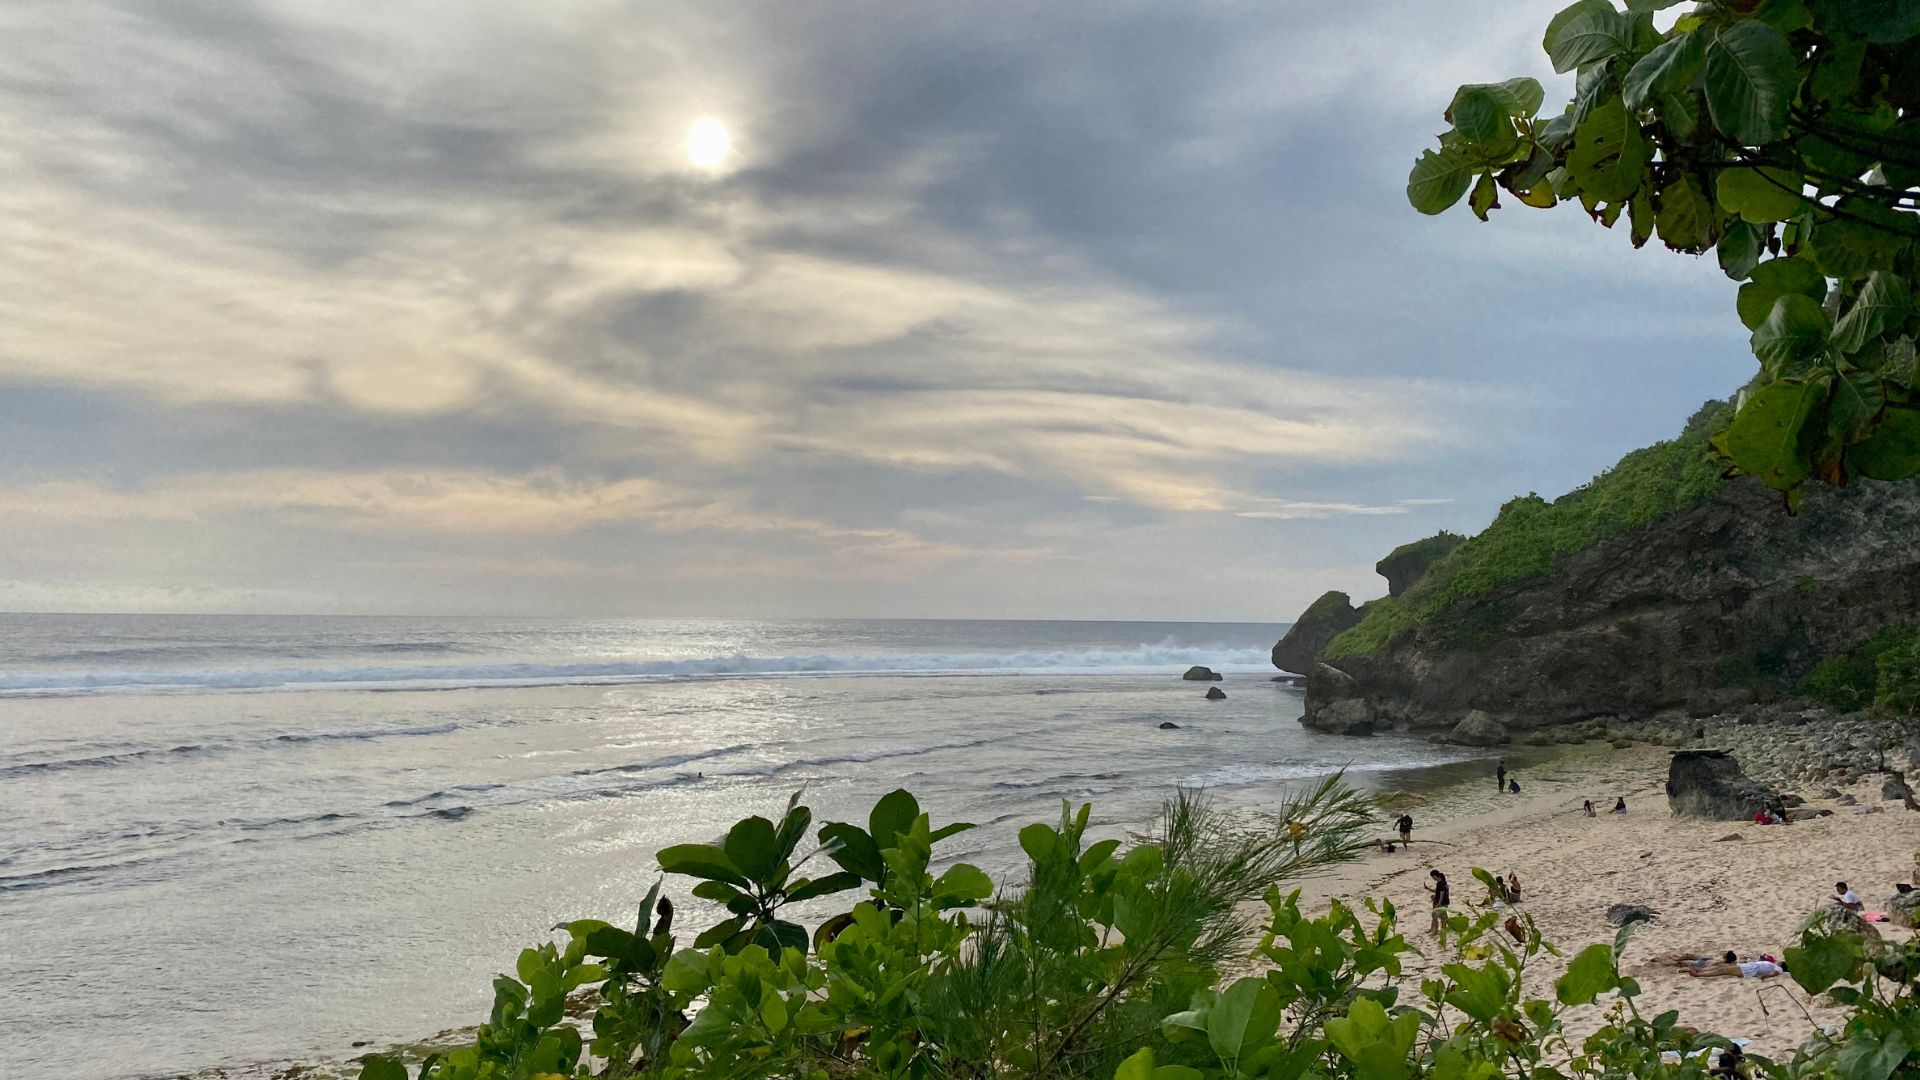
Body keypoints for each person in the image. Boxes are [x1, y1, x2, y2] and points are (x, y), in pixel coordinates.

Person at [1689, 958, 1786, 979]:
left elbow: (1774, 974)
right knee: (1721, 967)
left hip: (1749, 970)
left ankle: (1700, 974)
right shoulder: (1773, 964)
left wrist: (1765, 976)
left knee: (1723, 970)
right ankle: (1701, 970)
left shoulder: (1778, 969)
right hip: (1748, 966)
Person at [1427, 869, 1450, 934]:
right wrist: (1428, 888)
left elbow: (1442, 894)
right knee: (1444, 917)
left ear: (1435, 876)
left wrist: (1439, 904)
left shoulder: (1441, 884)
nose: (1433, 878)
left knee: (1435, 915)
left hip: (1442, 903)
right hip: (1445, 902)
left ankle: (1436, 931)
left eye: (1432, 877)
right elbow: (1438, 892)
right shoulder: (1442, 883)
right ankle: (1443, 930)